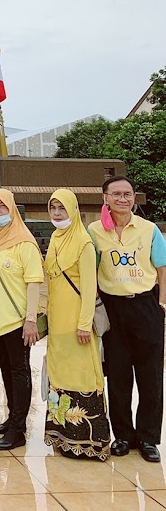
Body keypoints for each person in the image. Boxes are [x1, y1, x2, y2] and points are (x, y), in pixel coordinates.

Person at [88, 175, 166, 463]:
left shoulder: (148, 229)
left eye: (128, 194)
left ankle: (148, 438)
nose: (123, 198)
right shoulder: (94, 231)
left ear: (134, 198)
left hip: (145, 306)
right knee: (118, 375)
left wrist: (162, 304)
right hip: (112, 310)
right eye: (117, 194)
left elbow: (162, 266)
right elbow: (91, 270)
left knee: (150, 376)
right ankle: (122, 435)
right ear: (105, 198)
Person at [0, 188, 43, 450]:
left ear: (12, 209)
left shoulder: (23, 242)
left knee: (19, 370)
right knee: (5, 369)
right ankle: (12, 416)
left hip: (17, 321)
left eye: (2, 206)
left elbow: (34, 282)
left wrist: (30, 320)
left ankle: (19, 428)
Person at [44, 189, 110, 460]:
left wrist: (84, 324)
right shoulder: (55, 238)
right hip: (57, 323)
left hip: (76, 324)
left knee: (82, 374)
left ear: (73, 209)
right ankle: (63, 436)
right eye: (53, 208)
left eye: (62, 208)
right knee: (60, 375)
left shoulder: (83, 242)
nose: (57, 214)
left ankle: (89, 441)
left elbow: (88, 286)